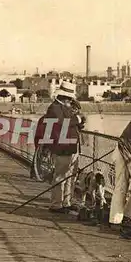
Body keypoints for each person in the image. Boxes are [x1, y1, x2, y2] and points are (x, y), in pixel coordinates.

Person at [39, 81, 81, 214]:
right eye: (70, 98)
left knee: (71, 175)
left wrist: (77, 121)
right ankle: (56, 204)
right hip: (62, 147)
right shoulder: (54, 108)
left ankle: (67, 202)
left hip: (71, 146)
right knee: (60, 176)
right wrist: (78, 120)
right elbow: (63, 123)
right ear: (65, 97)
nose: (71, 100)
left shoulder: (65, 107)